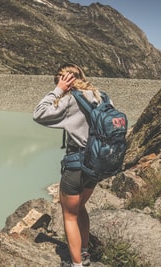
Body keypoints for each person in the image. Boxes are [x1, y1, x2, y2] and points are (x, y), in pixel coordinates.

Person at [33, 63, 105, 267]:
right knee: (81, 208)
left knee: (70, 215)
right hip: (97, 163)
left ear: (66, 81)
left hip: (76, 164)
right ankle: (84, 253)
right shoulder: (101, 96)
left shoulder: (71, 100)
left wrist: (58, 91)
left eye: (59, 81)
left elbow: (39, 113)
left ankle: (76, 264)